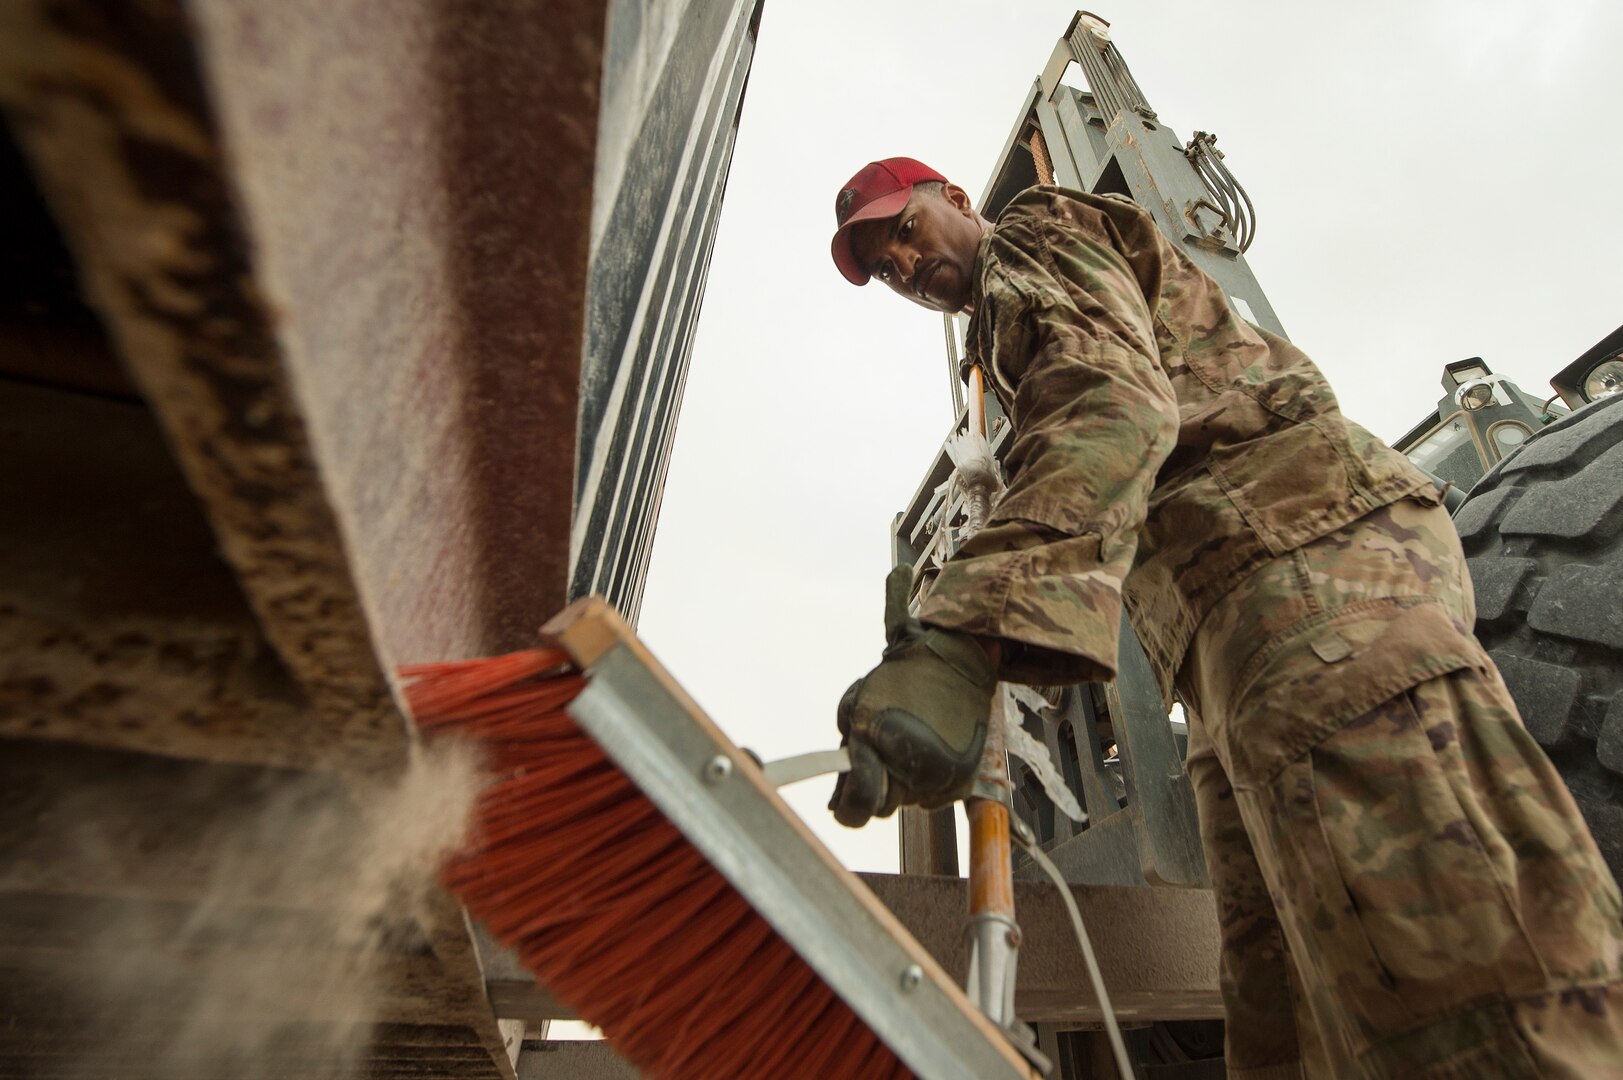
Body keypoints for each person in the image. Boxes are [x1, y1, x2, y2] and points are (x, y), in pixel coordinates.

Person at [825, 156, 1623, 1078]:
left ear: (954, 200)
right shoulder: (1002, 333)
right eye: (885, 267)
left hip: (1298, 570)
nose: (906, 267)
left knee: (1458, 981)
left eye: (907, 232)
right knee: (1279, 998)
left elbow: (1108, 401)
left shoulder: (1035, 235)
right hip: (1231, 619)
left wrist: (962, 636)